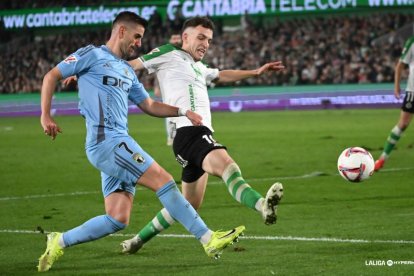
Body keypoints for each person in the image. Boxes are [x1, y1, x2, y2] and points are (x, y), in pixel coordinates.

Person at [37, 12, 245, 272]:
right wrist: (46, 115)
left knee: (117, 219)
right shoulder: (91, 55)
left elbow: (149, 105)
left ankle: (59, 240)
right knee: (164, 181)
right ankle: (208, 238)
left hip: (118, 143)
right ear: (121, 31)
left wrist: (182, 112)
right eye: (136, 37)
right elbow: (51, 76)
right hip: (107, 142)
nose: (138, 43)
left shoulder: (126, 70)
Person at [120, 16, 285, 254]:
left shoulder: (199, 67)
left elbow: (221, 74)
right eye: (200, 37)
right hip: (189, 132)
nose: (206, 44)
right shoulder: (168, 53)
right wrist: (87, 73)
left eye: (208, 40)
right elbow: (130, 65)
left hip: (195, 136)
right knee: (228, 167)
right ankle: (262, 205)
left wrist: (256, 72)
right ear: (185, 37)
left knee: (187, 206)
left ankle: (136, 241)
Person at [374, 36, 414, 171]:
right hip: (412, 92)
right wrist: (396, 86)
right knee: (402, 124)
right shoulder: (412, 41)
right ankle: (382, 159)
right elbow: (400, 65)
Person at [152, 32, 182, 146]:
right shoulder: (165, 54)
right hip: (169, 90)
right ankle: (171, 137)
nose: (176, 40)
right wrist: (156, 86)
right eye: (173, 38)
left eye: (177, 37)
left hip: (184, 89)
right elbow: (159, 71)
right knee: (171, 114)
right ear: (170, 40)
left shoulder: (187, 54)